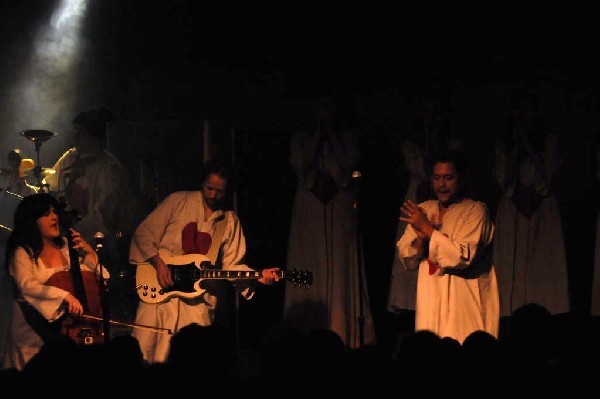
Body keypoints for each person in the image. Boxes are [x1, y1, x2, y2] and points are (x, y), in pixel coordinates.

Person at [129, 159, 281, 364]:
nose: (213, 195)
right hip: (161, 291)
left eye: (220, 191)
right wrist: (158, 263)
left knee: (192, 359)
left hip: (198, 300)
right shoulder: (178, 201)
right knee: (147, 352)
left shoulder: (229, 220)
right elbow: (144, 234)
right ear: (202, 183)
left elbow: (233, 264)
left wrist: (256, 276)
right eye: (209, 188)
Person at [283, 95, 376, 349]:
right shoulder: (301, 137)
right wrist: (318, 132)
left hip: (339, 210)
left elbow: (349, 163)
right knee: (308, 267)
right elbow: (303, 165)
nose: (325, 111)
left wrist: (330, 132)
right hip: (310, 212)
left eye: (329, 106)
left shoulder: (347, 137)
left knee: (339, 268)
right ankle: (304, 332)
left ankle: (341, 333)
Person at [396, 148, 499, 344]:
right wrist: (420, 241)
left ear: (460, 179)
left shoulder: (475, 211)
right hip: (432, 300)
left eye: (448, 178)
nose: (442, 184)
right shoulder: (424, 209)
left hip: (464, 304)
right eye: (436, 178)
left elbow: (462, 257)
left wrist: (427, 229)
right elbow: (408, 260)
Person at [2, 193, 108, 370]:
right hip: (33, 327)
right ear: (31, 220)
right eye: (46, 214)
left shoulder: (67, 246)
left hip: (67, 330)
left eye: (55, 212)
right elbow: (27, 286)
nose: (54, 217)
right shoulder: (24, 251)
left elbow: (102, 277)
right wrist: (64, 295)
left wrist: (88, 252)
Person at [43, 106, 150, 270]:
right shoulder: (70, 157)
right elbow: (49, 187)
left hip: (96, 242)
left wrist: (70, 233)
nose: (75, 138)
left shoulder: (110, 169)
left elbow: (101, 217)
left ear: (93, 137)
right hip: (65, 235)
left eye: (80, 133)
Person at [492, 96, 569, 318]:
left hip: (542, 213)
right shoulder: (504, 145)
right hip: (512, 210)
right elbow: (503, 178)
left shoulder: (549, 142)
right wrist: (517, 147)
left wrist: (528, 144)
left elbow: (548, 174)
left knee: (542, 268)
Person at [0, 149, 38, 365]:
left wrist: (10, 234)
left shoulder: (30, 193)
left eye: (17, 164)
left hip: (22, 258)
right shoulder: (2, 193)